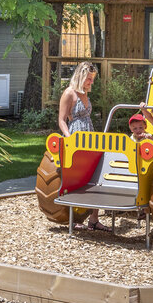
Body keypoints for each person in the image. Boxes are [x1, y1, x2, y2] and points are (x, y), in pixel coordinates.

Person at [56, 62, 107, 231]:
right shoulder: (69, 93)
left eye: (92, 79)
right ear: (80, 76)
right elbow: (62, 119)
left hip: (88, 133)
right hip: (76, 135)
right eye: (88, 79)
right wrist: (69, 138)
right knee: (76, 174)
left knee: (94, 172)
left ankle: (94, 217)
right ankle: (74, 216)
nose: (91, 82)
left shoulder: (85, 93)